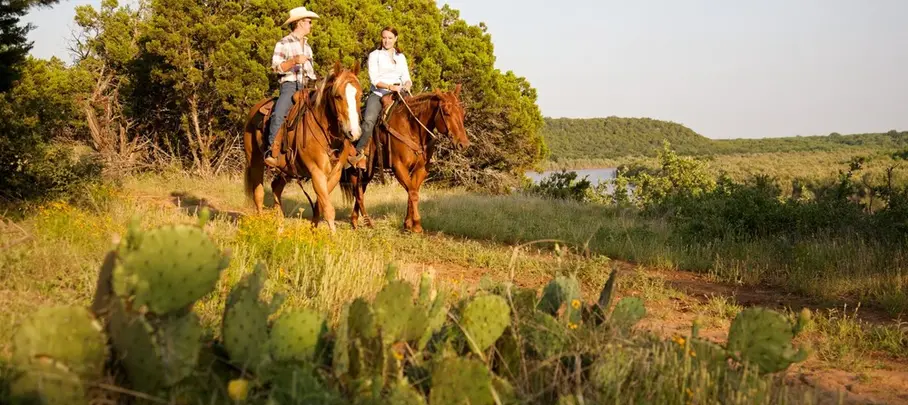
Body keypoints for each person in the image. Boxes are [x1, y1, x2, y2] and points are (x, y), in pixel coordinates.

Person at [349, 26, 412, 167]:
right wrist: (390, 87)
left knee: (415, 115)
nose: (387, 41)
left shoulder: (401, 57)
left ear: (395, 39)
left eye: (390, 38)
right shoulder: (374, 55)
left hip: (400, 94)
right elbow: (375, 80)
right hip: (379, 94)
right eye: (384, 38)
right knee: (368, 121)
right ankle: (357, 152)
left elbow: (406, 77)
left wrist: (407, 84)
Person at [265, 6, 319, 167]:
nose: (311, 25)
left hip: (308, 87)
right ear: (300, 23)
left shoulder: (308, 47)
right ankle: (272, 150)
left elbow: (311, 72)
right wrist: (293, 61)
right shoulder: (284, 43)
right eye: (309, 22)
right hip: (290, 85)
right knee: (279, 113)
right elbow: (276, 68)